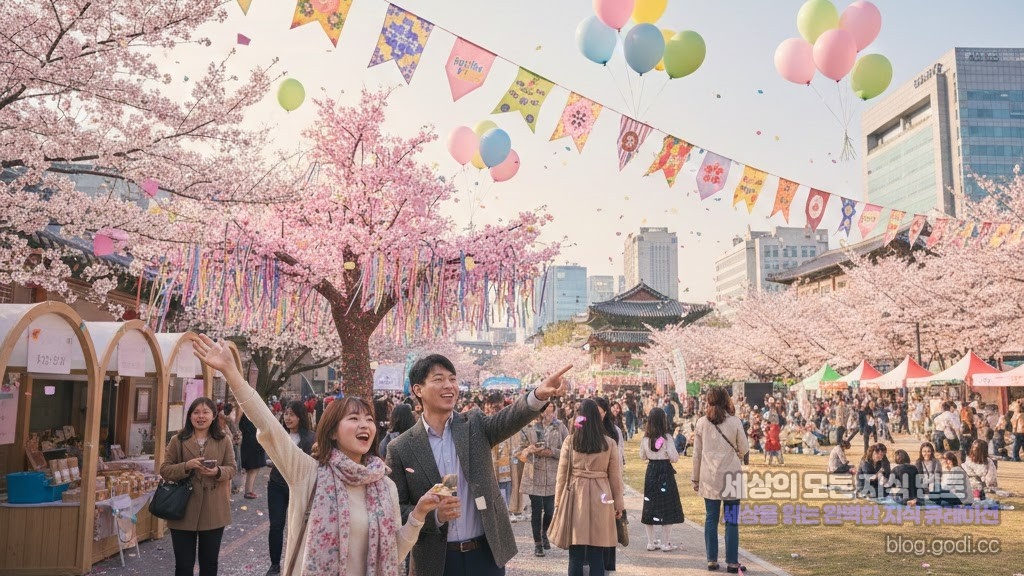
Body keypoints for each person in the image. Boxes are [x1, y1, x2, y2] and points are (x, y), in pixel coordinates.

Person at [193, 335, 440, 575]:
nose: (365, 425)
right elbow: (268, 425)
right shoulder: (308, 473)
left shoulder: (384, 485)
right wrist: (231, 372)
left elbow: (392, 554)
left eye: (369, 419)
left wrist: (418, 514)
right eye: (354, 419)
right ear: (332, 431)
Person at [385, 355, 573, 576]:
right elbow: (398, 510)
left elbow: (508, 419)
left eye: (452, 379)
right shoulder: (401, 448)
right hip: (436, 560)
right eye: (439, 379)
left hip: (485, 555)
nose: (449, 386)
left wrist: (538, 394)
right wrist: (434, 515)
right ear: (418, 389)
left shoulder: (473, 424)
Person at [160, 397, 237, 576]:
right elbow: (165, 469)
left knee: (209, 564)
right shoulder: (177, 440)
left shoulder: (223, 440)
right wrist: (187, 466)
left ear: (213, 416)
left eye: (205, 412)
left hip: (214, 509)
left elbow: (232, 469)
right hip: (183, 508)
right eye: (196, 412)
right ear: (189, 416)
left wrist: (218, 472)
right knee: (183, 565)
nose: (200, 416)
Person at [552, 399, 625, 576]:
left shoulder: (571, 441)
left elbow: (562, 475)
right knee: (597, 554)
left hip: (576, 496)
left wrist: (558, 502)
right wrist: (618, 505)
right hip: (602, 496)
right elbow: (615, 477)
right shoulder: (609, 443)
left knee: (575, 555)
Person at [692, 387, 749, 574]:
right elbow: (744, 448)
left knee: (711, 518)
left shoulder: (701, 423)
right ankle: (732, 562)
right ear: (727, 400)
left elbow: (696, 454)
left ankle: (711, 560)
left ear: (708, 401)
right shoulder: (734, 422)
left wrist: (695, 478)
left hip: (709, 476)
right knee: (732, 520)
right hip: (732, 475)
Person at [265, 401, 315, 575]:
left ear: (300, 417)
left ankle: (299, 561)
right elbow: (268, 452)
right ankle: (274, 564)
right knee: (276, 525)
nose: (287, 418)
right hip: (277, 484)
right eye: (286, 414)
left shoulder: (311, 438)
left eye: (292, 414)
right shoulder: (279, 435)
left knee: (300, 525)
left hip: (300, 487)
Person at [519, 403, 570, 557]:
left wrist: (551, 452)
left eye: (551, 409)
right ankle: (538, 544)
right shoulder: (530, 427)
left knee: (549, 510)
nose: (548, 412)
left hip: (553, 475)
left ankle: (544, 532)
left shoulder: (560, 427)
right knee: (536, 511)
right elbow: (519, 450)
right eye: (545, 409)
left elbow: (568, 449)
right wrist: (530, 450)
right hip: (534, 474)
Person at [639, 407, 684, 552]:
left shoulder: (645, 439)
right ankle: (666, 543)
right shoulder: (667, 438)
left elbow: (642, 456)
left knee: (650, 506)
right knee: (667, 506)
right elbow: (674, 458)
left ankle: (651, 542)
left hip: (651, 471)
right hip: (665, 472)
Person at [484, 393, 517, 511]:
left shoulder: (508, 422)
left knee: (503, 508)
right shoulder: (483, 423)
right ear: (488, 407)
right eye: (494, 408)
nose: (496, 411)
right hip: (488, 473)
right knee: (489, 509)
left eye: (498, 407)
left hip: (505, 473)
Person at [239, 410, 266, 500]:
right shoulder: (248, 411)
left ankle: (248, 490)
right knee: (253, 468)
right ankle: (248, 491)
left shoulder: (247, 412)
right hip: (252, 442)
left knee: (253, 468)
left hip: (251, 441)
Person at [220, 402, 242, 495]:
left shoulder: (222, 417)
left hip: (229, 443)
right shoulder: (230, 419)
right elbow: (234, 433)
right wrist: (237, 439)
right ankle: (233, 486)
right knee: (234, 465)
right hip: (232, 444)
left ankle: (232, 486)